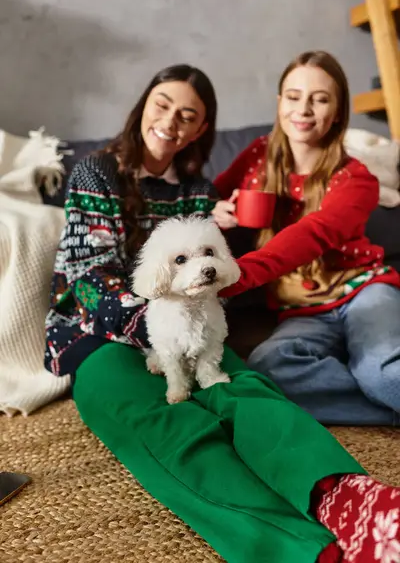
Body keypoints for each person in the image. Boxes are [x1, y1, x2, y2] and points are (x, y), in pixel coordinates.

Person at [45, 63, 400, 563]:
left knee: (248, 391)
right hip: (97, 333)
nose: (172, 121)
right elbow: (86, 277)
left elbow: (217, 260)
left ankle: (347, 499)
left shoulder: (195, 190)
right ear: (144, 104)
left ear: (201, 128)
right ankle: (296, 549)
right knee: (166, 420)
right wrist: (151, 314)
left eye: (188, 114)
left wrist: (218, 249)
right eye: (163, 105)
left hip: (193, 317)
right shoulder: (96, 171)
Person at [212, 50, 400, 428]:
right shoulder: (256, 158)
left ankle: (379, 384)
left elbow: (315, 233)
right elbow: (204, 200)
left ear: (337, 112)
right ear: (279, 101)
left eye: (320, 98)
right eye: (294, 96)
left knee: (382, 371)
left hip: (363, 289)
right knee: (268, 368)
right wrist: (217, 212)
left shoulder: (356, 178)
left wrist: (239, 274)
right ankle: (386, 407)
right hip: (301, 309)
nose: (304, 109)